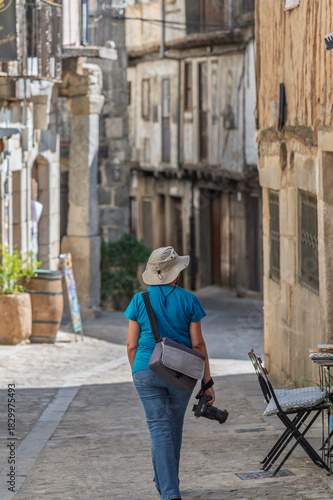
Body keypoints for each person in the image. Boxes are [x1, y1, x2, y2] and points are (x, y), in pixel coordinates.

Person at [125, 246, 215, 500]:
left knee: (158, 428)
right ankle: (168, 487)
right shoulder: (189, 300)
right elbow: (198, 344)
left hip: (145, 368)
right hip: (180, 372)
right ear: (177, 274)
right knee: (173, 427)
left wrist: (136, 374)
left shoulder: (138, 300)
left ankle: (168, 488)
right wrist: (207, 381)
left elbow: (131, 345)